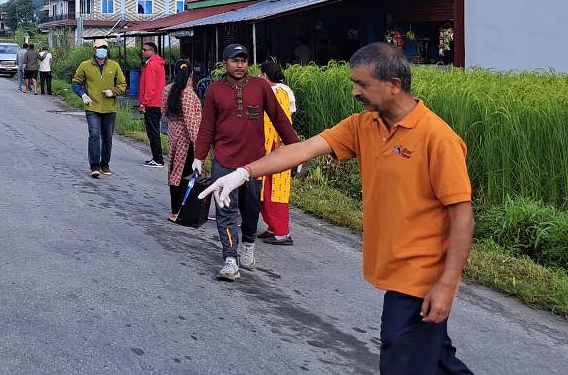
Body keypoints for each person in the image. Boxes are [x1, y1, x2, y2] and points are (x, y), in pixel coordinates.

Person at [202, 43, 473, 374]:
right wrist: (243, 173)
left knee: (400, 357)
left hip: (422, 273)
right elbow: (303, 149)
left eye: (362, 84)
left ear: (394, 85)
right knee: (438, 360)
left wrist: (446, 283)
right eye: (353, 83)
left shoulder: (437, 139)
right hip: (392, 264)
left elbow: (462, 215)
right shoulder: (364, 125)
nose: (354, 92)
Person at [193, 43, 299, 281]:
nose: (239, 65)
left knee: (251, 211)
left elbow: (280, 119)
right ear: (225, 63)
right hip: (224, 160)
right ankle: (230, 259)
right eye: (234, 61)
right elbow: (206, 126)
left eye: (243, 61)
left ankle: (248, 244)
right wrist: (199, 157)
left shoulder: (260, 86)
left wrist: (297, 149)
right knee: (226, 211)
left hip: (253, 164)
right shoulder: (215, 90)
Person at [71, 39, 127, 178]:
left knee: (107, 138)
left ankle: (105, 165)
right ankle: (94, 166)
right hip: (92, 106)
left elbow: (122, 84)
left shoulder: (114, 66)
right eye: (99, 47)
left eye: (104, 48)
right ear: (94, 49)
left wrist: (113, 91)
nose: (102, 50)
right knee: (94, 135)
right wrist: (83, 94)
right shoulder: (85, 65)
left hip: (110, 108)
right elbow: (75, 82)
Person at [258, 59, 297, 245]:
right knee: (265, 191)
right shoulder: (279, 91)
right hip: (269, 149)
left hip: (275, 149)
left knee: (275, 192)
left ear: (265, 75)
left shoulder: (278, 93)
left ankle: (282, 232)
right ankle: (273, 227)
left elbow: (280, 122)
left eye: (260, 74)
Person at [162, 59, 202, 215]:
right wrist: (199, 146)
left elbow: (164, 111)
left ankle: (175, 210)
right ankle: (180, 210)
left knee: (175, 170)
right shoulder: (188, 93)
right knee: (184, 173)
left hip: (173, 132)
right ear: (191, 74)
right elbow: (191, 122)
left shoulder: (167, 89)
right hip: (186, 138)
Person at [138, 42, 168, 168]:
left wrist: (144, 103)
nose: (142, 52)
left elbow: (150, 87)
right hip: (157, 102)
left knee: (153, 132)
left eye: (145, 50)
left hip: (151, 103)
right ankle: (157, 158)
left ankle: (158, 159)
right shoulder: (158, 64)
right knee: (154, 130)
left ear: (152, 51)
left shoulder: (151, 65)